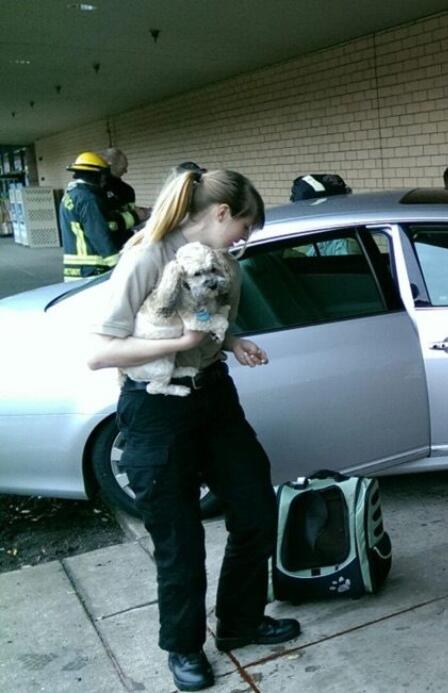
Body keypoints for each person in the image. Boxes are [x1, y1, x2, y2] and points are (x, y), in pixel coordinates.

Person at [85, 169, 299, 692]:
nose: (246, 238)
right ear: (222, 213)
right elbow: (102, 352)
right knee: (178, 538)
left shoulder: (224, 262)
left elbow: (207, 320)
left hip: (214, 397)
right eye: (244, 225)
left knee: (254, 508)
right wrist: (176, 345)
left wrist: (233, 343)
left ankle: (240, 622)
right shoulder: (145, 256)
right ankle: (182, 647)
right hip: (155, 408)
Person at [59, 151, 127, 281]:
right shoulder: (88, 199)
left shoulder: (71, 195)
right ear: (93, 175)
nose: (104, 179)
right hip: (92, 270)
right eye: (102, 175)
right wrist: (119, 266)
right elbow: (99, 235)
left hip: (75, 271)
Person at [99, 147, 149, 244]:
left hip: (126, 241)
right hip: (108, 245)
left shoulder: (127, 190)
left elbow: (128, 210)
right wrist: (136, 216)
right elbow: (104, 222)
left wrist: (143, 212)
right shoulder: (95, 191)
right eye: (123, 167)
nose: (126, 171)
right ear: (111, 165)